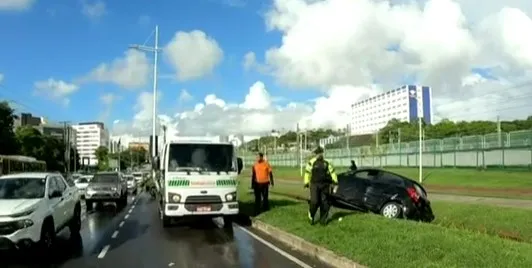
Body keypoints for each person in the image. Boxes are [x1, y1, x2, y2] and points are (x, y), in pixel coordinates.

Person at [304, 147, 338, 225]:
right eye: (317, 153)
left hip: (325, 185)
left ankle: (323, 220)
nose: (319, 155)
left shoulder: (327, 162)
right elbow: (307, 172)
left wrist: (335, 181)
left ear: (322, 153)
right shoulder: (312, 162)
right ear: (315, 154)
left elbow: (332, 172)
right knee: (314, 201)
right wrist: (306, 182)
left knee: (324, 203)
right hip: (314, 184)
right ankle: (311, 215)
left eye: (320, 153)